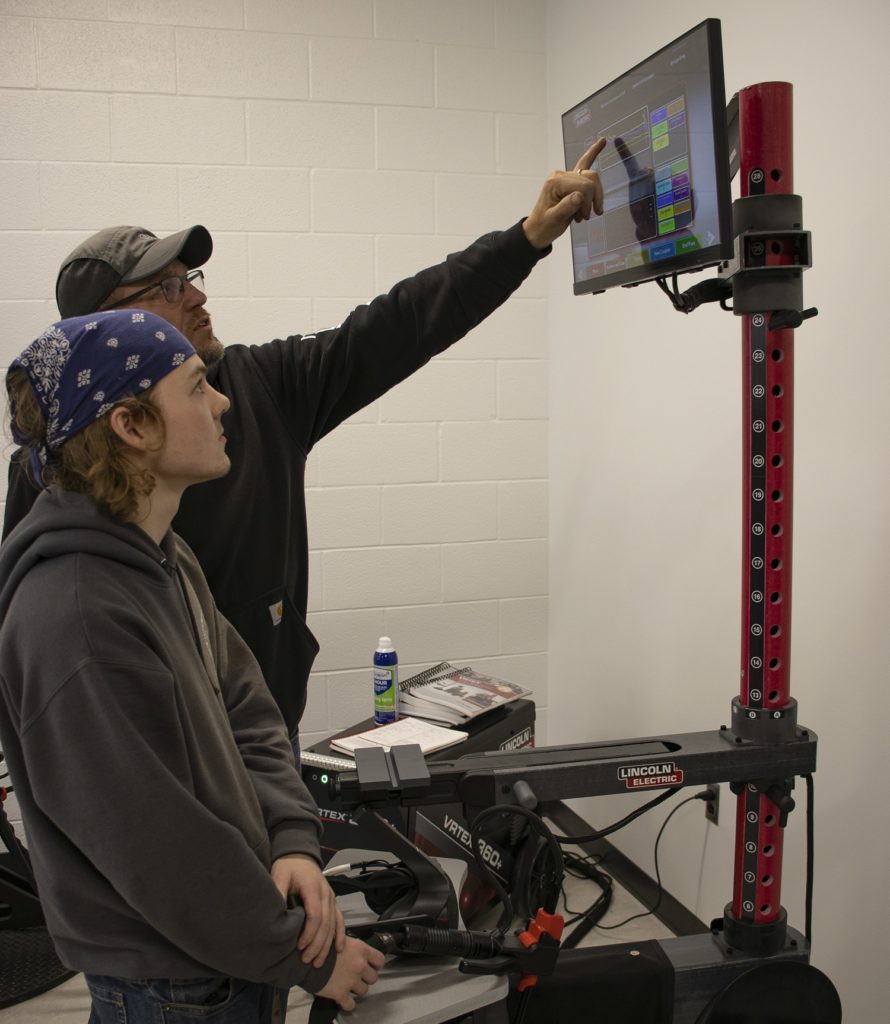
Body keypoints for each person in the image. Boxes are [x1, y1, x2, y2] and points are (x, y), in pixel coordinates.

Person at [2, 140, 607, 747]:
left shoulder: (260, 387)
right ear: (103, 333)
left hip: (264, 735)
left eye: (190, 279)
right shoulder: (52, 467)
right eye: (166, 289)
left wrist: (526, 238)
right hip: (142, 751)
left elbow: (398, 325)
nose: (197, 297)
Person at [0, 310, 384, 1022]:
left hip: (228, 958)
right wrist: (309, 956)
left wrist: (292, 840)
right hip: (178, 989)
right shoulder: (78, 622)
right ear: (132, 427)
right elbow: (162, 852)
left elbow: (248, 707)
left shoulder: (161, 554)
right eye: (198, 387)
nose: (224, 402)